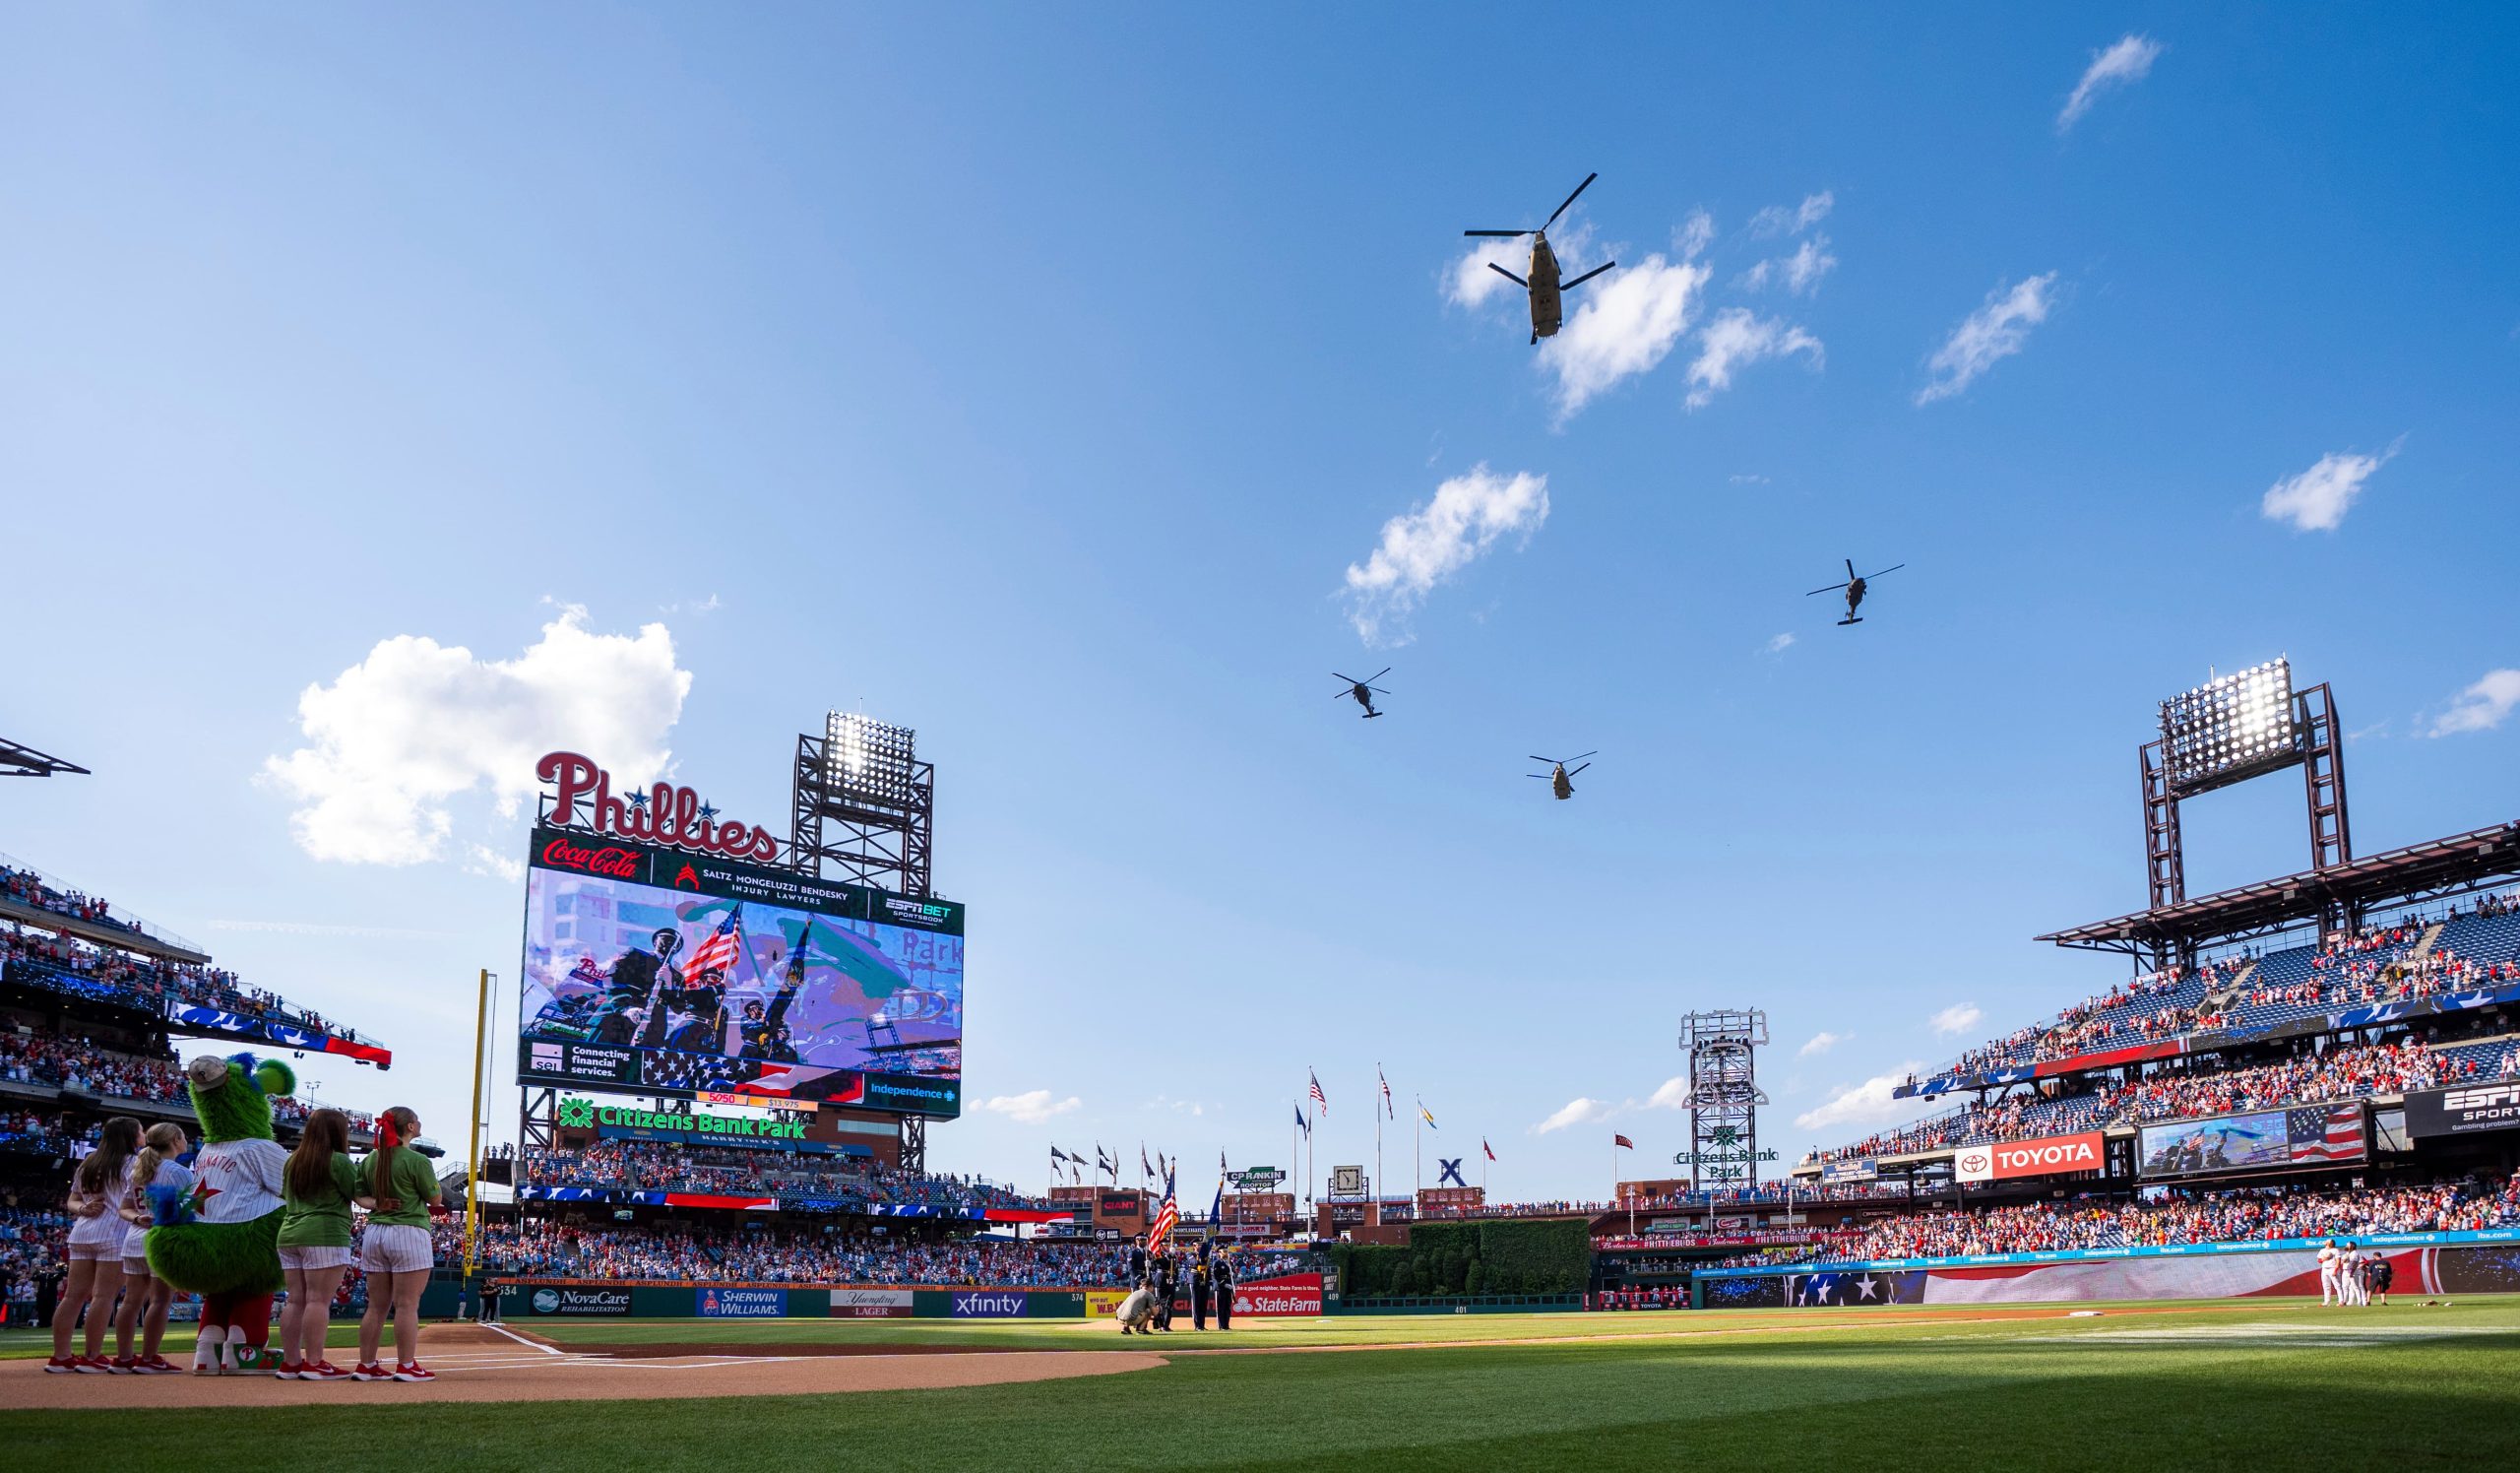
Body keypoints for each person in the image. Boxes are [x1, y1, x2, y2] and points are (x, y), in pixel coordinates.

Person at [277, 1108, 366, 1380]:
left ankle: (291, 1362)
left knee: (295, 1300)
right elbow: (361, 1197)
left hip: (290, 1231)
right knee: (318, 1300)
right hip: (325, 1233)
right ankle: (314, 1362)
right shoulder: (338, 1161)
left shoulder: (292, 1160)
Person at [353, 1106, 441, 1382]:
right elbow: (435, 1199)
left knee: (376, 1306)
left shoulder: (370, 1159)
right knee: (406, 1305)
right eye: (416, 1121)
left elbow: (359, 1196)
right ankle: (406, 1365)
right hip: (408, 1231)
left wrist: (379, 1203)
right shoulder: (417, 1160)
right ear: (410, 1128)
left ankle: (366, 1364)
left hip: (375, 1231)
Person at [48, 1116, 139, 1372]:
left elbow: (72, 1200)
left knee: (72, 1296)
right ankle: (92, 1355)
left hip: (82, 1232)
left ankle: (61, 1357)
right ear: (130, 1137)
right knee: (103, 1297)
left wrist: (84, 1208)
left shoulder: (90, 1161)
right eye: (140, 1131)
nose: (143, 1135)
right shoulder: (133, 1162)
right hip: (115, 1233)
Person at [110, 1121, 193, 1373]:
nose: (186, 1141)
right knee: (160, 1301)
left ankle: (124, 1359)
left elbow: (124, 1208)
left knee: (131, 1301)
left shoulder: (139, 1169)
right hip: (162, 1239)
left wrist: (138, 1218)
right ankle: (149, 1358)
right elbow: (189, 1211)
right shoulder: (178, 1171)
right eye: (183, 1136)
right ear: (175, 1140)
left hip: (134, 1237)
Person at [1212, 1250, 1235, 1331]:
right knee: (1221, 1307)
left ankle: (1226, 1325)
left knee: (1227, 1307)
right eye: (1223, 1252)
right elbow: (1215, 1276)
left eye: (1226, 1252)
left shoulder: (1228, 1263)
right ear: (1219, 1253)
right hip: (1220, 1287)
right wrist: (1223, 1284)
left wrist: (1232, 1274)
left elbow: (1230, 1276)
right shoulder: (1217, 1263)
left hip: (1228, 1287)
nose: (1225, 1254)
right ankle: (1221, 1325)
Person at [2316, 1239, 2341, 1306]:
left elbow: (2338, 1261)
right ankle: (2326, 1302)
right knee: (2326, 1286)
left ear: (2331, 1243)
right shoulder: (2322, 1250)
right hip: (2324, 1269)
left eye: (2328, 1241)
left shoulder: (2335, 1250)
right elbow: (2318, 1260)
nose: (2326, 1242)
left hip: (2332, 1268)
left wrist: (2335, 1270)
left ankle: (2341, 1301)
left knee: (2337, 1286)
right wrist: (2323, 1259)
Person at [1190, 1252, 1211, 1330]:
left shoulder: (1204, 1256)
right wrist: (1200, 1258)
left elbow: (1207, 1268)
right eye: (1198, 1245)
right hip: (1195, 1280)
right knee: (1196, 1304)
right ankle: (1197, 1325)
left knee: (1203, 1304)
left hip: (1204, 1280)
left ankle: (1202, 1325)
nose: (1199, 1247)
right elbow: (1194, 1263)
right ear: (1194, 1246)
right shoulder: (1191, 1255)